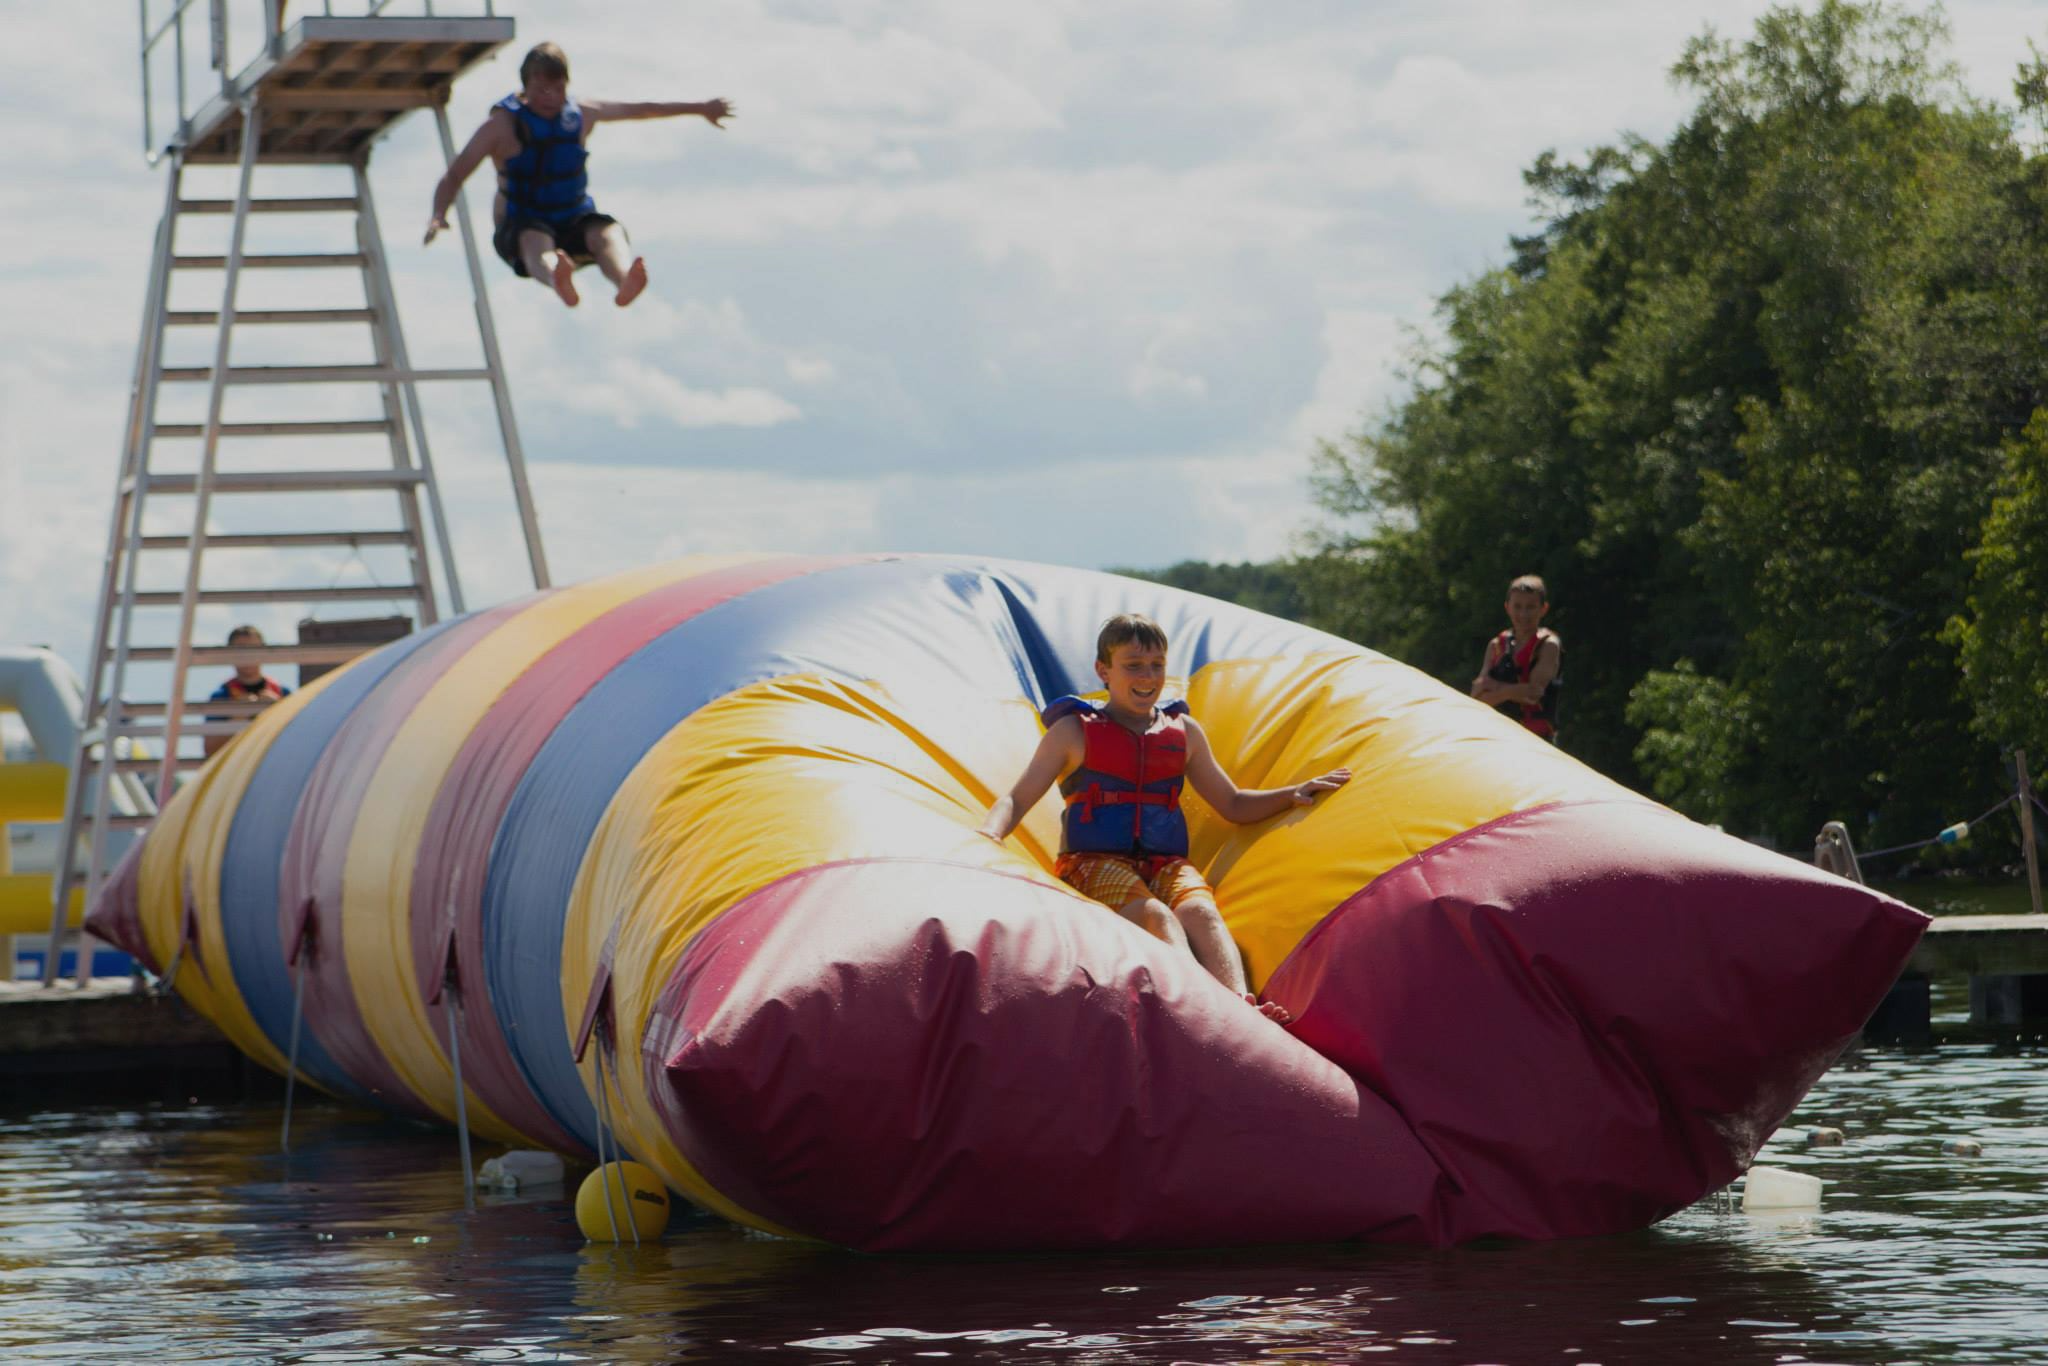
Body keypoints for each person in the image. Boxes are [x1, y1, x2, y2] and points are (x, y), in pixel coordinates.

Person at [977, 613, 1351, 1023]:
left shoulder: (1182, 732)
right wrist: (990, 834)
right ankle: (1204, 1009)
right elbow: (1017, 797)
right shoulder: (1074, 732)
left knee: (1202, 913)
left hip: (1166, 864)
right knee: (1157, 916)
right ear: (1103, 670)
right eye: (1133, 665)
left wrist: (1293, 794)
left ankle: (1242, 1005)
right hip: (1092, 863)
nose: (1147, 676)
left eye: (1157, 665)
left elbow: (1233, 804)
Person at [424, 42, 732, 309]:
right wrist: (438, 214)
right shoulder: (501, 127)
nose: (551, 98)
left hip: (572, 218)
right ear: (526, 88)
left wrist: (700, 108)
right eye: (542, 90)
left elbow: (643, 109)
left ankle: (624, 279)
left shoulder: (582, 114)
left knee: (607, 231)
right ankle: (557, 279)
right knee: (535, 240)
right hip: (522, 224)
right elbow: (455, 174)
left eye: (558, 89)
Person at [1471, 574, 1562, 741]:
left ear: (1543, 609)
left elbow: (1533, 694)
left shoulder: (1548, 646)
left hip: (1536, 739)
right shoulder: (1496, 646)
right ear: (1507, 608)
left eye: (1530, 607)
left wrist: (1496, 687)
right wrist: (1512, 691)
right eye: (1517, 606)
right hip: (1497, 735)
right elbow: (1477, 696)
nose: (1523, 614)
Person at [202, 625, 292, 757]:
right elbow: (210, 750)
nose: (247, 655)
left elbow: (298, 741)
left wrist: (278, 711)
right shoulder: (221, 697)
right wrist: (238, 718)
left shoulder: (283, 694)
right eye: (240, 649)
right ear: (229, 654)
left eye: (253, 648)